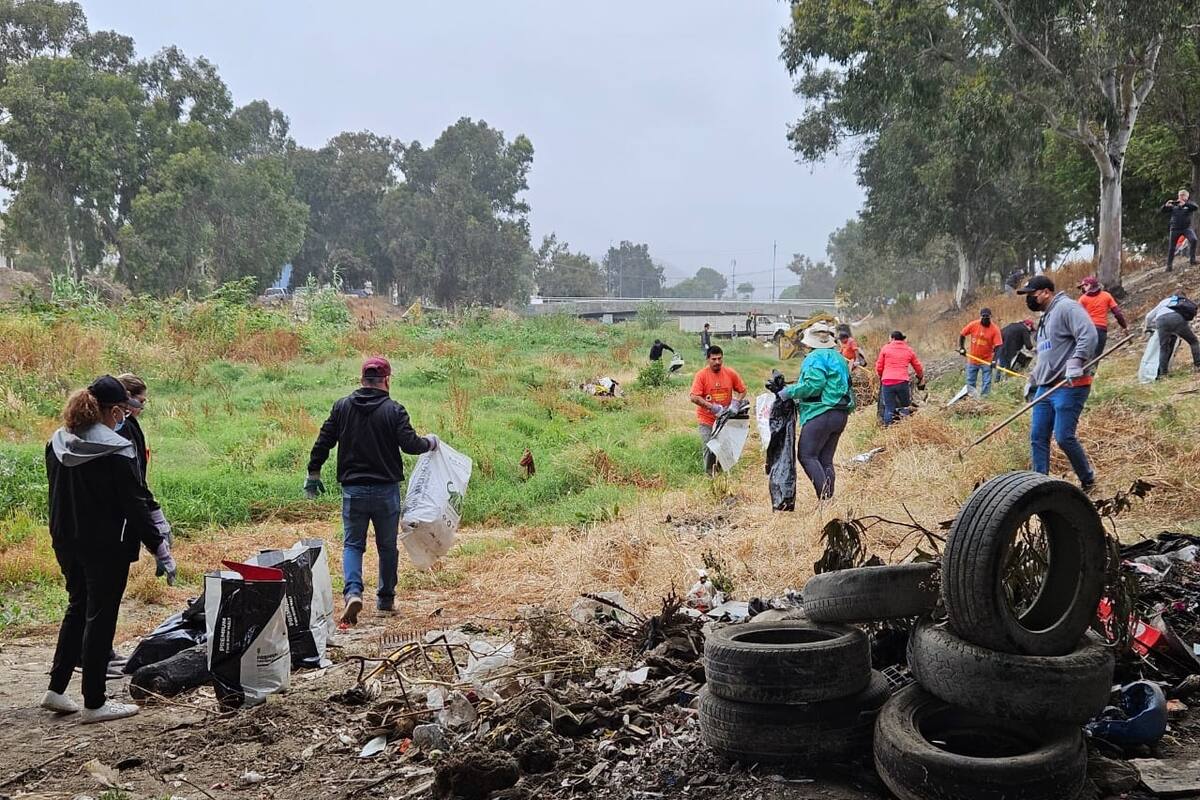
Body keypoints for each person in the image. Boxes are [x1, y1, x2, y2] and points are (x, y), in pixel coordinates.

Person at [43, 376, 174, 723]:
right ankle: (95, 701)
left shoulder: (57, 441)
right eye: (122, 412)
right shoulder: (117, 450)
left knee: (78, 607)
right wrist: (159, 546)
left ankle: (56, 688)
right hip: (106, 545)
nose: (124, 418)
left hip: (66, 538)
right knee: (101, 618)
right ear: (114, 410)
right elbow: (134, 503)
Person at [306, 356, 440, 625]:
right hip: (385, 491)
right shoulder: (394, 410)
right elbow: (410, 445)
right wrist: (430, 443)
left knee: (353, 545)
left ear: (362, 379)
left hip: (353, 490)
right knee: (387, 546)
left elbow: (324, 441)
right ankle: (386, 601)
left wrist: (313, 472)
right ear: (386, 380)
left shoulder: (342, 407)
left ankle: (353, 593)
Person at [1018, 276, 1098, 490]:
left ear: (1046, 292)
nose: (1029, 299)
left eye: (1032, 294)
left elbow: (1088, 334)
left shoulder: (1067, 308)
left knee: (1063, 436)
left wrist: (1077, 360)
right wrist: (1034, 379)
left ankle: (1088, 479)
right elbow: (1045, 354)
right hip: (1046, 387)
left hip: (1069, 385)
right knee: (1038, 437)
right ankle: (1039, 485)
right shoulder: (1045, 318)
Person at [776, 323, 855, 499]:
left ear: (809, 342)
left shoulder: (814, 357)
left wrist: (789, 392)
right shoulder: (838, 357)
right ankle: (830, 501)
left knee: (807, 456)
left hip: (821, 412)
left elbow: (814, 384)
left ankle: (825, 500)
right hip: (840, 414)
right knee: (825, 460)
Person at [115, 374, 172, 581]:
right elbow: (134, 486)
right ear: (128, 399)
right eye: (141, 401)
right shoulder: (123, 430)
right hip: (116, 527)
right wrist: (156, 537)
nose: (142, 407)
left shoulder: (127, 426)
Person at [689, 345, 747, 475]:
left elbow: (742, 390)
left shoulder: (730, 373)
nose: (717, 362)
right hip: (707, 420)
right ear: (708, 359)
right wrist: (711, 407)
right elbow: (694, 397)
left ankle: (724, 475)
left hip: (725, 420)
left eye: (720, 359)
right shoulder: (701, 375)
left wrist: (736, 403)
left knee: (725, 449)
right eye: (714, 359)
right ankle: (710, 477)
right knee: (709, 448)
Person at [1145, 291, 1200, 378]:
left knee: (1164, 347)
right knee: (1193, 342)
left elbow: (1148, 317)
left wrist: (1148, 328)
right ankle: (1198, 365)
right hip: (1177, 318)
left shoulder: (1164, 301)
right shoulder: (1182, 302)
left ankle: (1163, 374)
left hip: (1161, 321)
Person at [875, 331, 925, 425]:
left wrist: (882, 376)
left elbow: (879, 366)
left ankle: (889, 428)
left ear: (892, 338)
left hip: (887, 382)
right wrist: (920, 376)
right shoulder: (908, 350)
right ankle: (906, 426)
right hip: (902, 381)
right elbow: (917, 366)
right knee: (905, 406)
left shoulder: (885, 348)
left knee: (889, 407)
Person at [1076, 276, 1128, 357]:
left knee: (1084, 357)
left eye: (1085, 285)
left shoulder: (1082, 299)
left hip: (1087, 330)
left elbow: (1076, 316)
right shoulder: (1106, 296)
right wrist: (1124, 326)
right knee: (1096, 357)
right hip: (1101, 330)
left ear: (1091, 285)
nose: (1083, 288)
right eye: (1082, 286)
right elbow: (1117, 313)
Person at [959, 308, 1003, 396]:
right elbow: (962, 334)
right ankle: (971, 397)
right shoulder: (973, 325)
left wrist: (994, 360)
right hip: (973, 359)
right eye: (984, 316)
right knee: (970, 380)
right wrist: (962, 348)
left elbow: (998, 346)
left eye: (987, 317)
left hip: (986, 360)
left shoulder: (995, 329)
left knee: (987, 381)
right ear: (980, 317)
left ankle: (984, 398)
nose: (985, 318)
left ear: (990, 317)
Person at [1162, 189, 1198, 271]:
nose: (1181, 197)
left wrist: (1185, 204)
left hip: (1186, 228)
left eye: (1183, 195)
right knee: (1172, 247)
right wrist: (1166, 206)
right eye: (1180, 195)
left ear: (1187, 197)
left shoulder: (1189, 204)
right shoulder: (1174, 204)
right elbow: (1163, 211)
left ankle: (1192, 260)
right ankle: (1169, 266)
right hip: (1175, 229)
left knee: (1194, 240)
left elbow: (1195, 207)